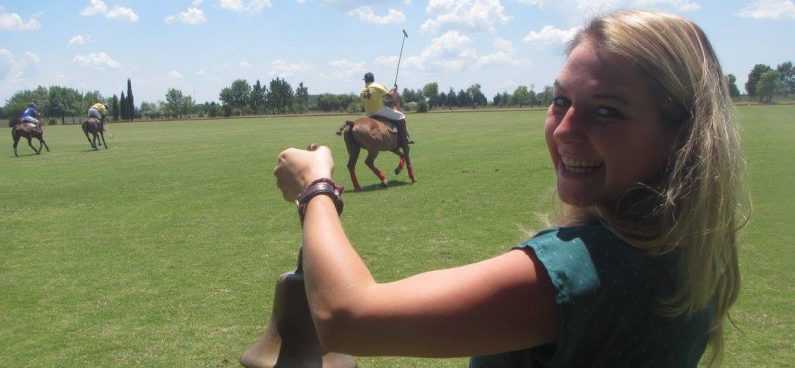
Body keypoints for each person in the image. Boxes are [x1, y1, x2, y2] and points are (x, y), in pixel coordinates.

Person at [272, 9, 748, 368]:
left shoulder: (580, 270)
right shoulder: (696, 250)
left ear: (682, 134)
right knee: (400, 126)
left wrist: (316, 187)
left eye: (607, 111)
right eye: (560, 101)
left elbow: (345, 317)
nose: (564, 129)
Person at [360, 72, 414, 145]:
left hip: (368, 114)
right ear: (373, 79)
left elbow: (363, 105)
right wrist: (394, 90)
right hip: (379, 110)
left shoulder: (361, 91)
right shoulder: (377, 85)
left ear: (365, 80)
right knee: (401, 116)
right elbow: (390, 95)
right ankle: (404, 139)